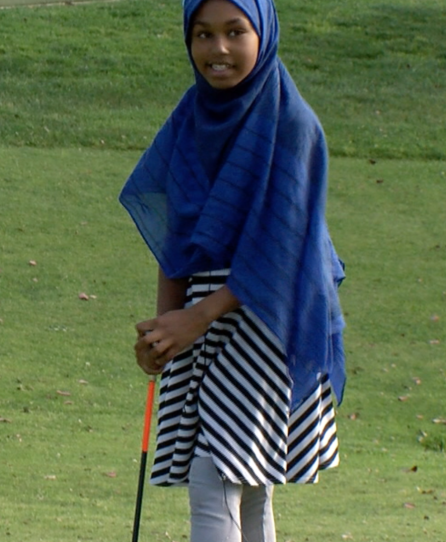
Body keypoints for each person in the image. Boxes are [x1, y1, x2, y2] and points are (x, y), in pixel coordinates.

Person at [119, 0, 347, 541]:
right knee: (246, 485)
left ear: (262, 33)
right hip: (200, 318)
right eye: (202, 34)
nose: (217, 49)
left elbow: (283, 250)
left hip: (269, 315)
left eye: (234, 32)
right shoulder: (190, 118)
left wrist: (193, 320)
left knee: (217, 474)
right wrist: (163, 329)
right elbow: (176, 236)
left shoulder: (294, 126)